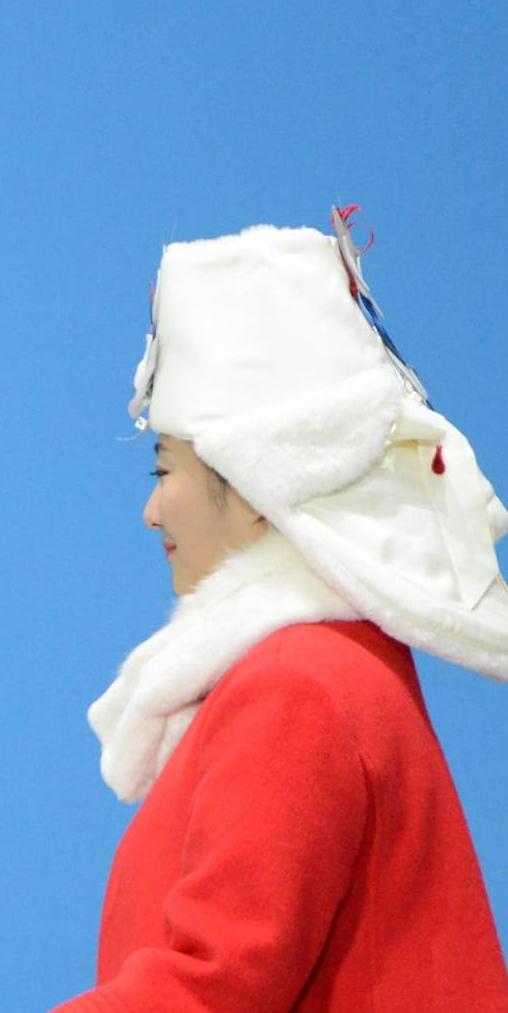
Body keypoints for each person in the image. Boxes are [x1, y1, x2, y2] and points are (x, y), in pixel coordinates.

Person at [54, 212, 508, 1011]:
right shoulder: (329, 674)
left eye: (165, 469)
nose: (152, 511)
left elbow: (214, 983)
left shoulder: (297, 692)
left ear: (261, 483)